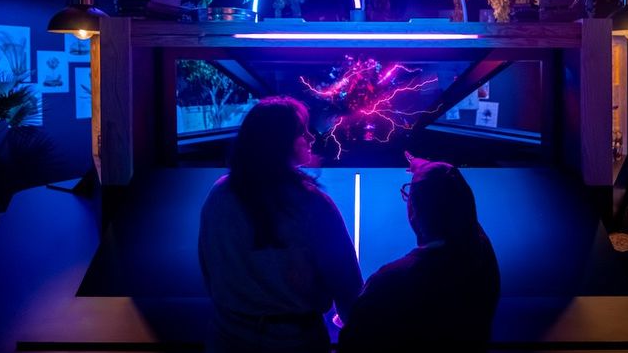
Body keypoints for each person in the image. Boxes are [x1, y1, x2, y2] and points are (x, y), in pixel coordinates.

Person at [198, 96, 363, 353]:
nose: (311, 137)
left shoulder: (219, 194)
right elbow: (347, 286)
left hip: (226, 336)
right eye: (302, 130)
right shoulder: (313, 205)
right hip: (294, 342)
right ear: (279, 142)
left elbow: (208, 268)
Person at [339, 156, 500, 352]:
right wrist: (427, 170)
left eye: (409, 196)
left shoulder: (390, 282)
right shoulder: (482, 259)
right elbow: (461, 209)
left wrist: (354, 318)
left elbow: (354, 342)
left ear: (413, 212)